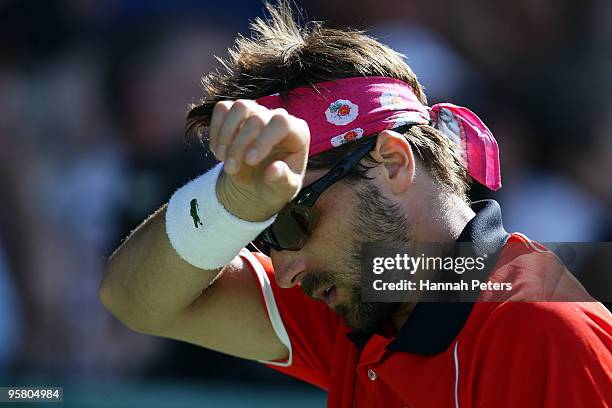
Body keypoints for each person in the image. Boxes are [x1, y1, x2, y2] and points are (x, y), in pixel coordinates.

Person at [99, 2, 612, 406]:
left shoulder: (545, 332)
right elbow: (134, 301)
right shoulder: (370, 292)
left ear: (392, 162)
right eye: (265, 233)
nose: (285, 270)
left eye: (297, 221)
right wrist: (226, 201)